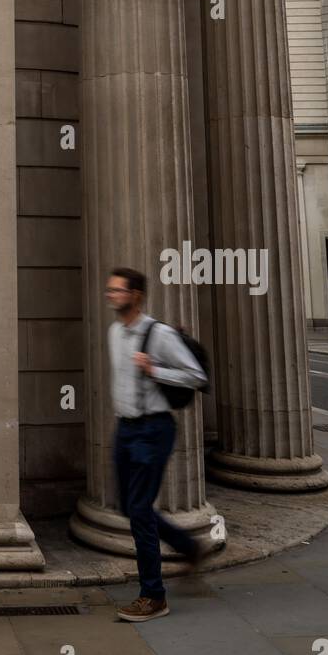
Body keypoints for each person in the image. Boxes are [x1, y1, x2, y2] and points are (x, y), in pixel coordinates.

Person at [106, 267, 208, 622]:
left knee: (139, 510)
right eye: (110, 290)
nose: (111, 295)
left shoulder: (159, 334)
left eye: (118, 291)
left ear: (136, 295)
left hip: (153, 430)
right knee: (129, 507)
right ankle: (188, 546)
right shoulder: (115, 332)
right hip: (125, 429)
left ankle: (153, 595)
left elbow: (197, 376)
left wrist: (155, 371)